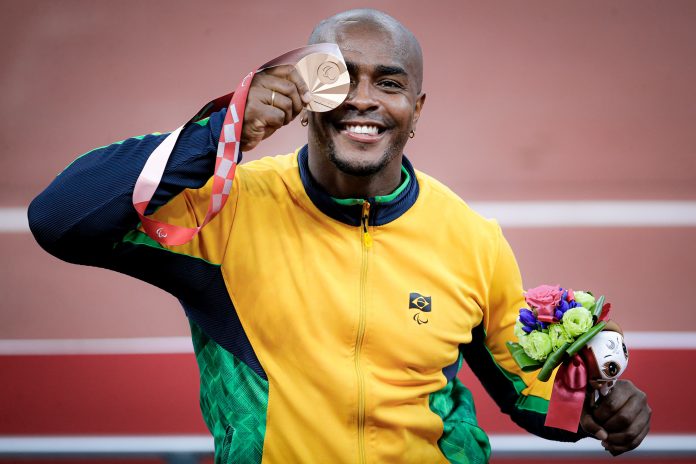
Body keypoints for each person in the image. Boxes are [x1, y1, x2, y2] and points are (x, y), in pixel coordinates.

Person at [28, 8, 651, 464]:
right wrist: (220, 134)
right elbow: (61, 219)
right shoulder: (226, 212)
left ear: (417, 107)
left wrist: (593, 410)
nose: (363, 100)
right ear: (304, 96)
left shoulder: (470, 238)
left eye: (389, 82)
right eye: (340, 78)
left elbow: (523, 387)